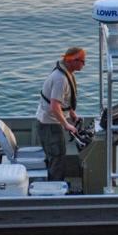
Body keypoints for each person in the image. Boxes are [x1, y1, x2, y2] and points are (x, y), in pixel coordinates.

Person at [35, 46, 86, 182]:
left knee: (56, 156)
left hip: (50, 122)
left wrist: (72, 113)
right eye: (82, 61)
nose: (84, 64)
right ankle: (55, 190)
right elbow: (55, 105)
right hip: (50, 125)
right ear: (72, 61)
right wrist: (66, 125)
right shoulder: (60, 79)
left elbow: (63, 100)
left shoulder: (66, 74)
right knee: (57, 158)